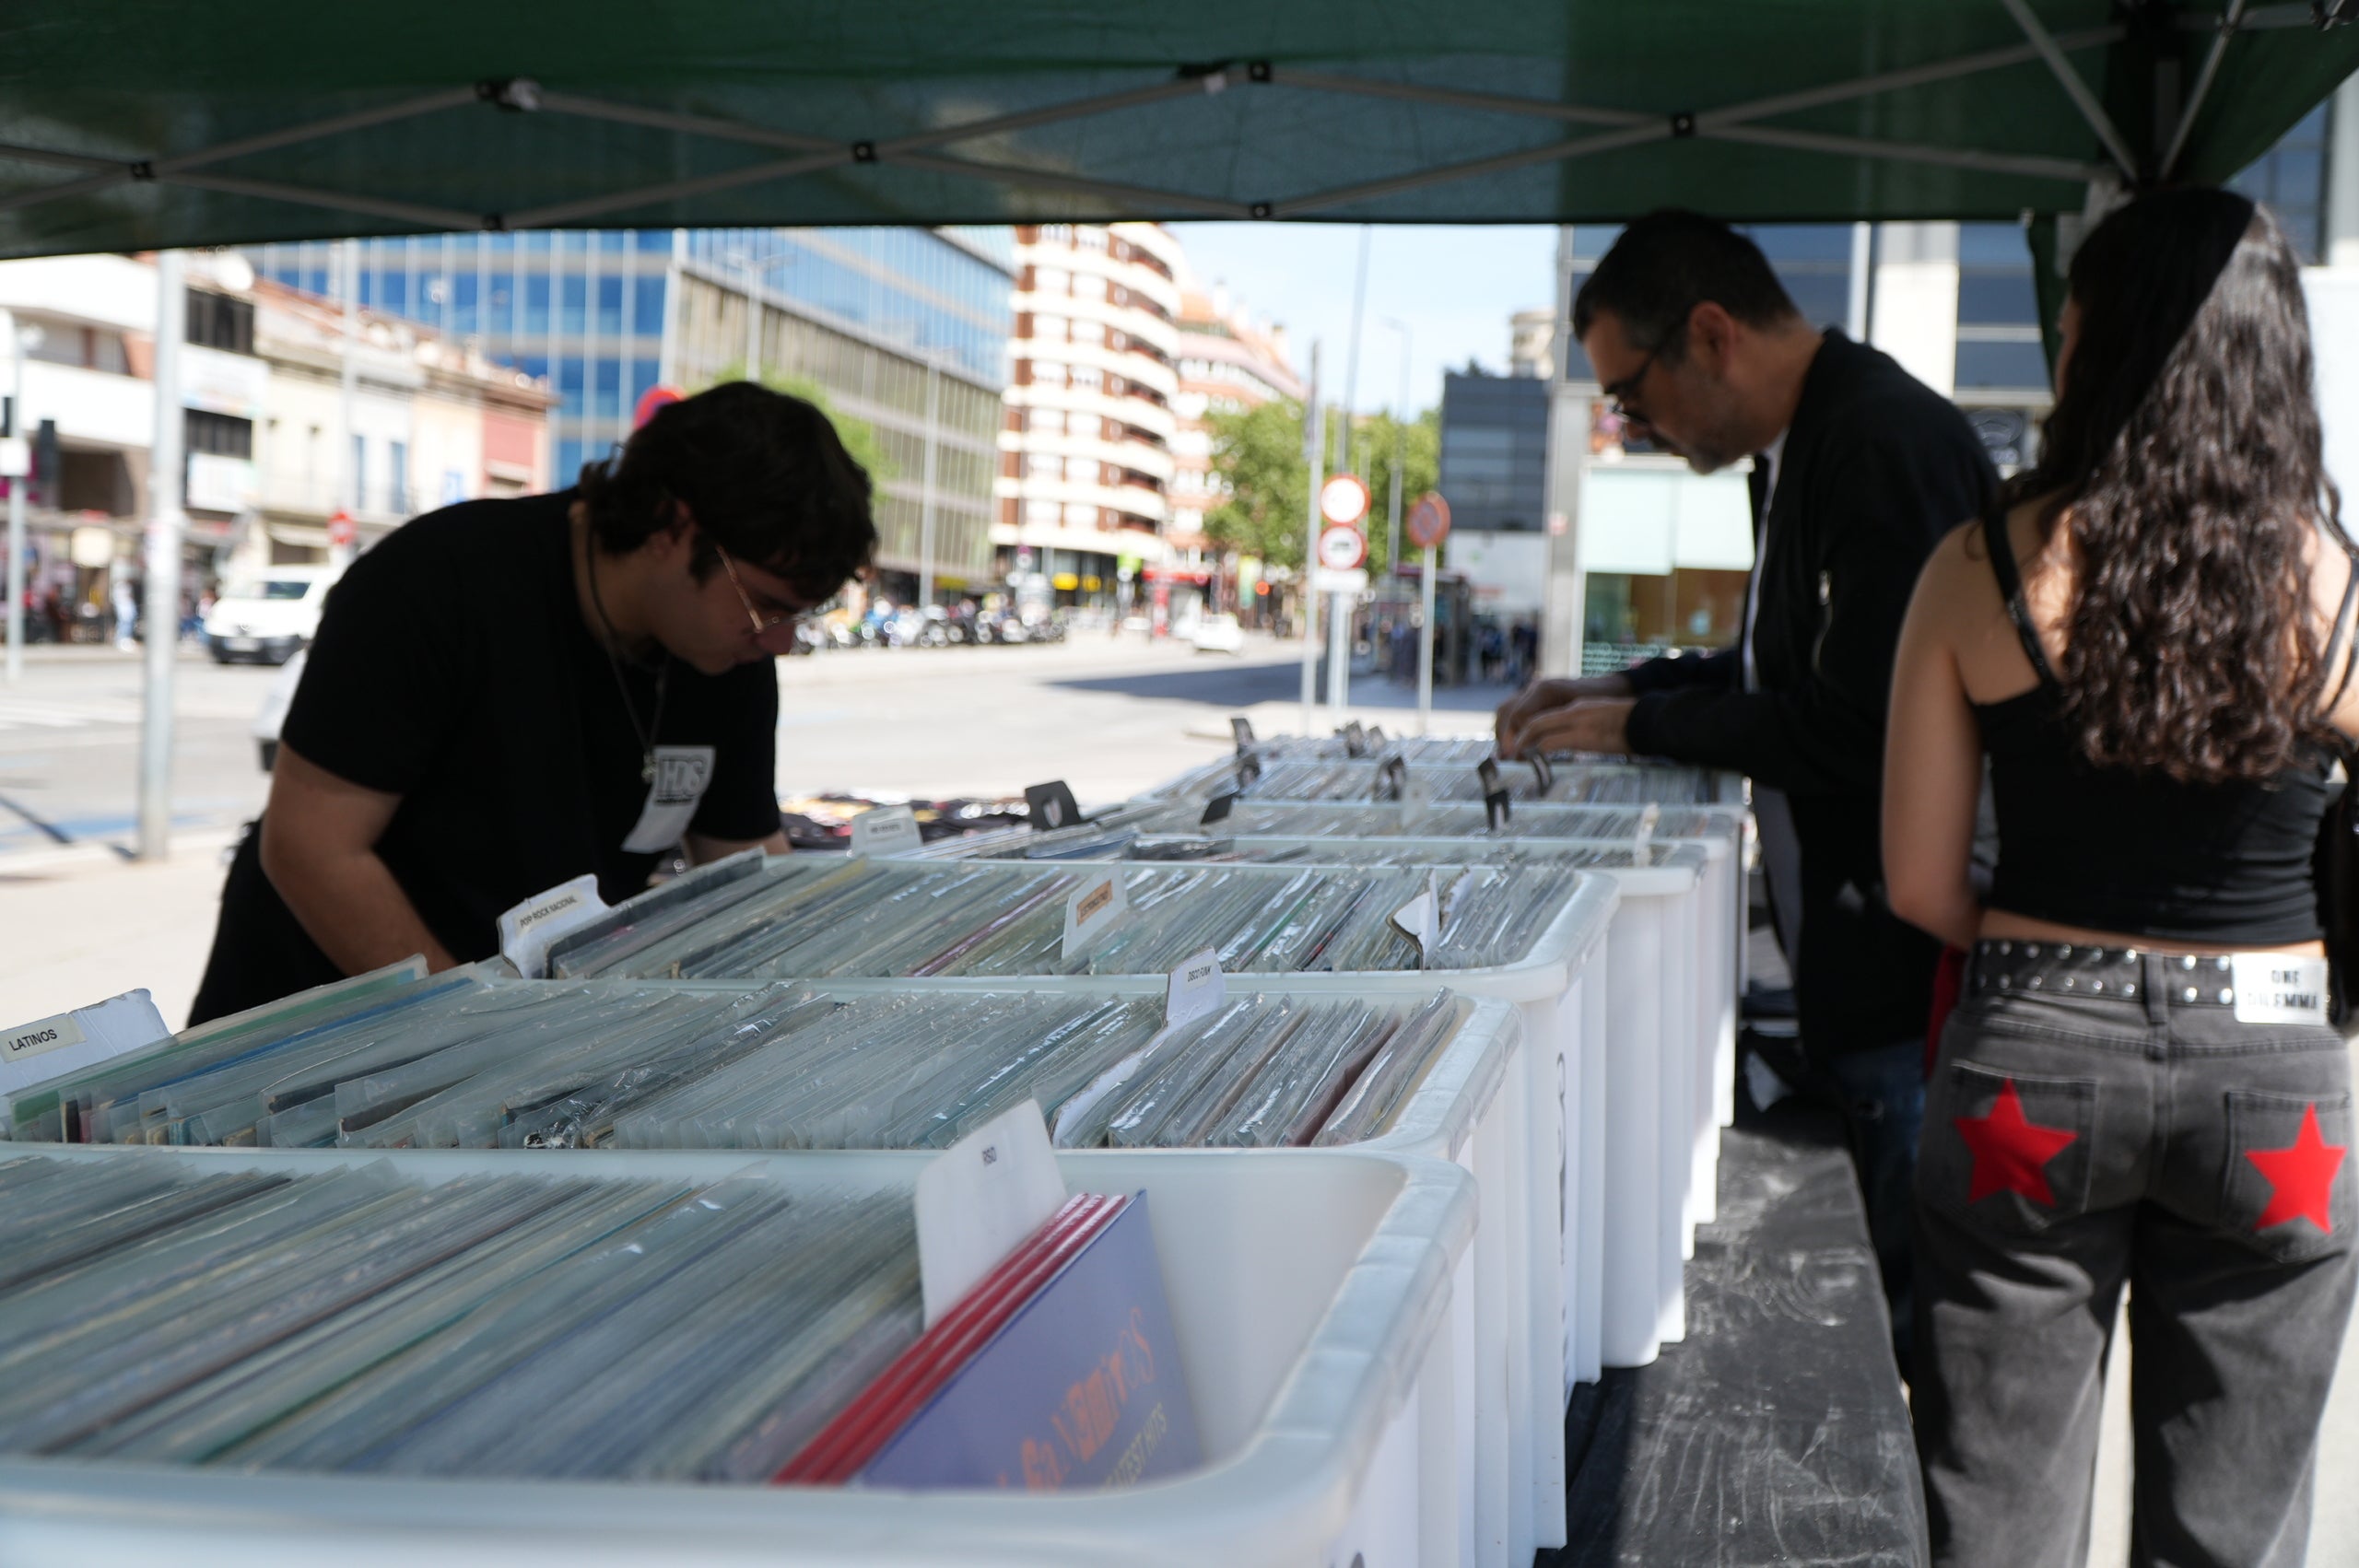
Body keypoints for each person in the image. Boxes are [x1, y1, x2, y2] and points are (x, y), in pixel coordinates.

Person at [1884, 189, 2357, 1568]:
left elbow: (1917, 882)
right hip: (2276, 1088)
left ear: (2094, 346)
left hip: (2031, 1066)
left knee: (1995, 1508)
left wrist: (2049, 952)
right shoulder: (2334, 590)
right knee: (2234, 1535)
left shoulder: (1979, 568)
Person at [1495, 210, 1997, 1348]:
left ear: (1709, 335)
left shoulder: (1874, 445)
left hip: (1910, 984)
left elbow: (1858, 725)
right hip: (1865, 975)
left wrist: (1644, 728)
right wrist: (1616, 694)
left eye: (1629, 393)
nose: (1631, 426)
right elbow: (1784, 671)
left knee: (1926, 1350)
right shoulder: (1809, 443)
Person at [189, 381, 877, 1023]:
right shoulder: (437, 584)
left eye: (799, 615)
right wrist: (477, 1026)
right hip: (317, 1019)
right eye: (767, 605)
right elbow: (312, 848)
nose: (781, 641)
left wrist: (821, 992)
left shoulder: (727, 653)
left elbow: (742, 861)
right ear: (673, 526)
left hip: (520, 1025)